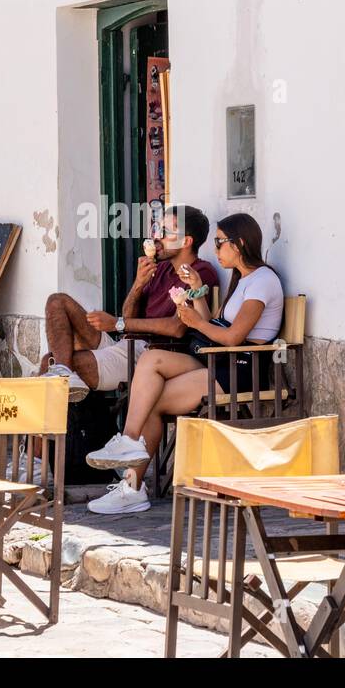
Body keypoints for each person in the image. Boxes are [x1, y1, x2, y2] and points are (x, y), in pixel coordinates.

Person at [86, 212, 284, 515]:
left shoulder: (263, 281)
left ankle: (132, 485)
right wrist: (196, 292)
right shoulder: (241, 280)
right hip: (218, 360)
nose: (215, 250)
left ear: (239, 243)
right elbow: (212, 322)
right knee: (152, 359)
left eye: (219, 243)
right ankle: (128, 446)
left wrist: (194, 322)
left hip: (239, 369)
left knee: (151, 402)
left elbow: (232, 338)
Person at [41, 206, 219, 402]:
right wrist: (138, 284)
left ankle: (54, 420)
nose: (157, 237)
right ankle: (63, 374)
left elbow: (177, 327)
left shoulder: (199, 273)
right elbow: (128, 316)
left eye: (165, 232)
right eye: (156, 230)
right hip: (126, 344)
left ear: (186, 241)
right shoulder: (160, 269)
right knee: (57, 303)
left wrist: (117, 324)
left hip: (152, 354)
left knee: (58, 363)